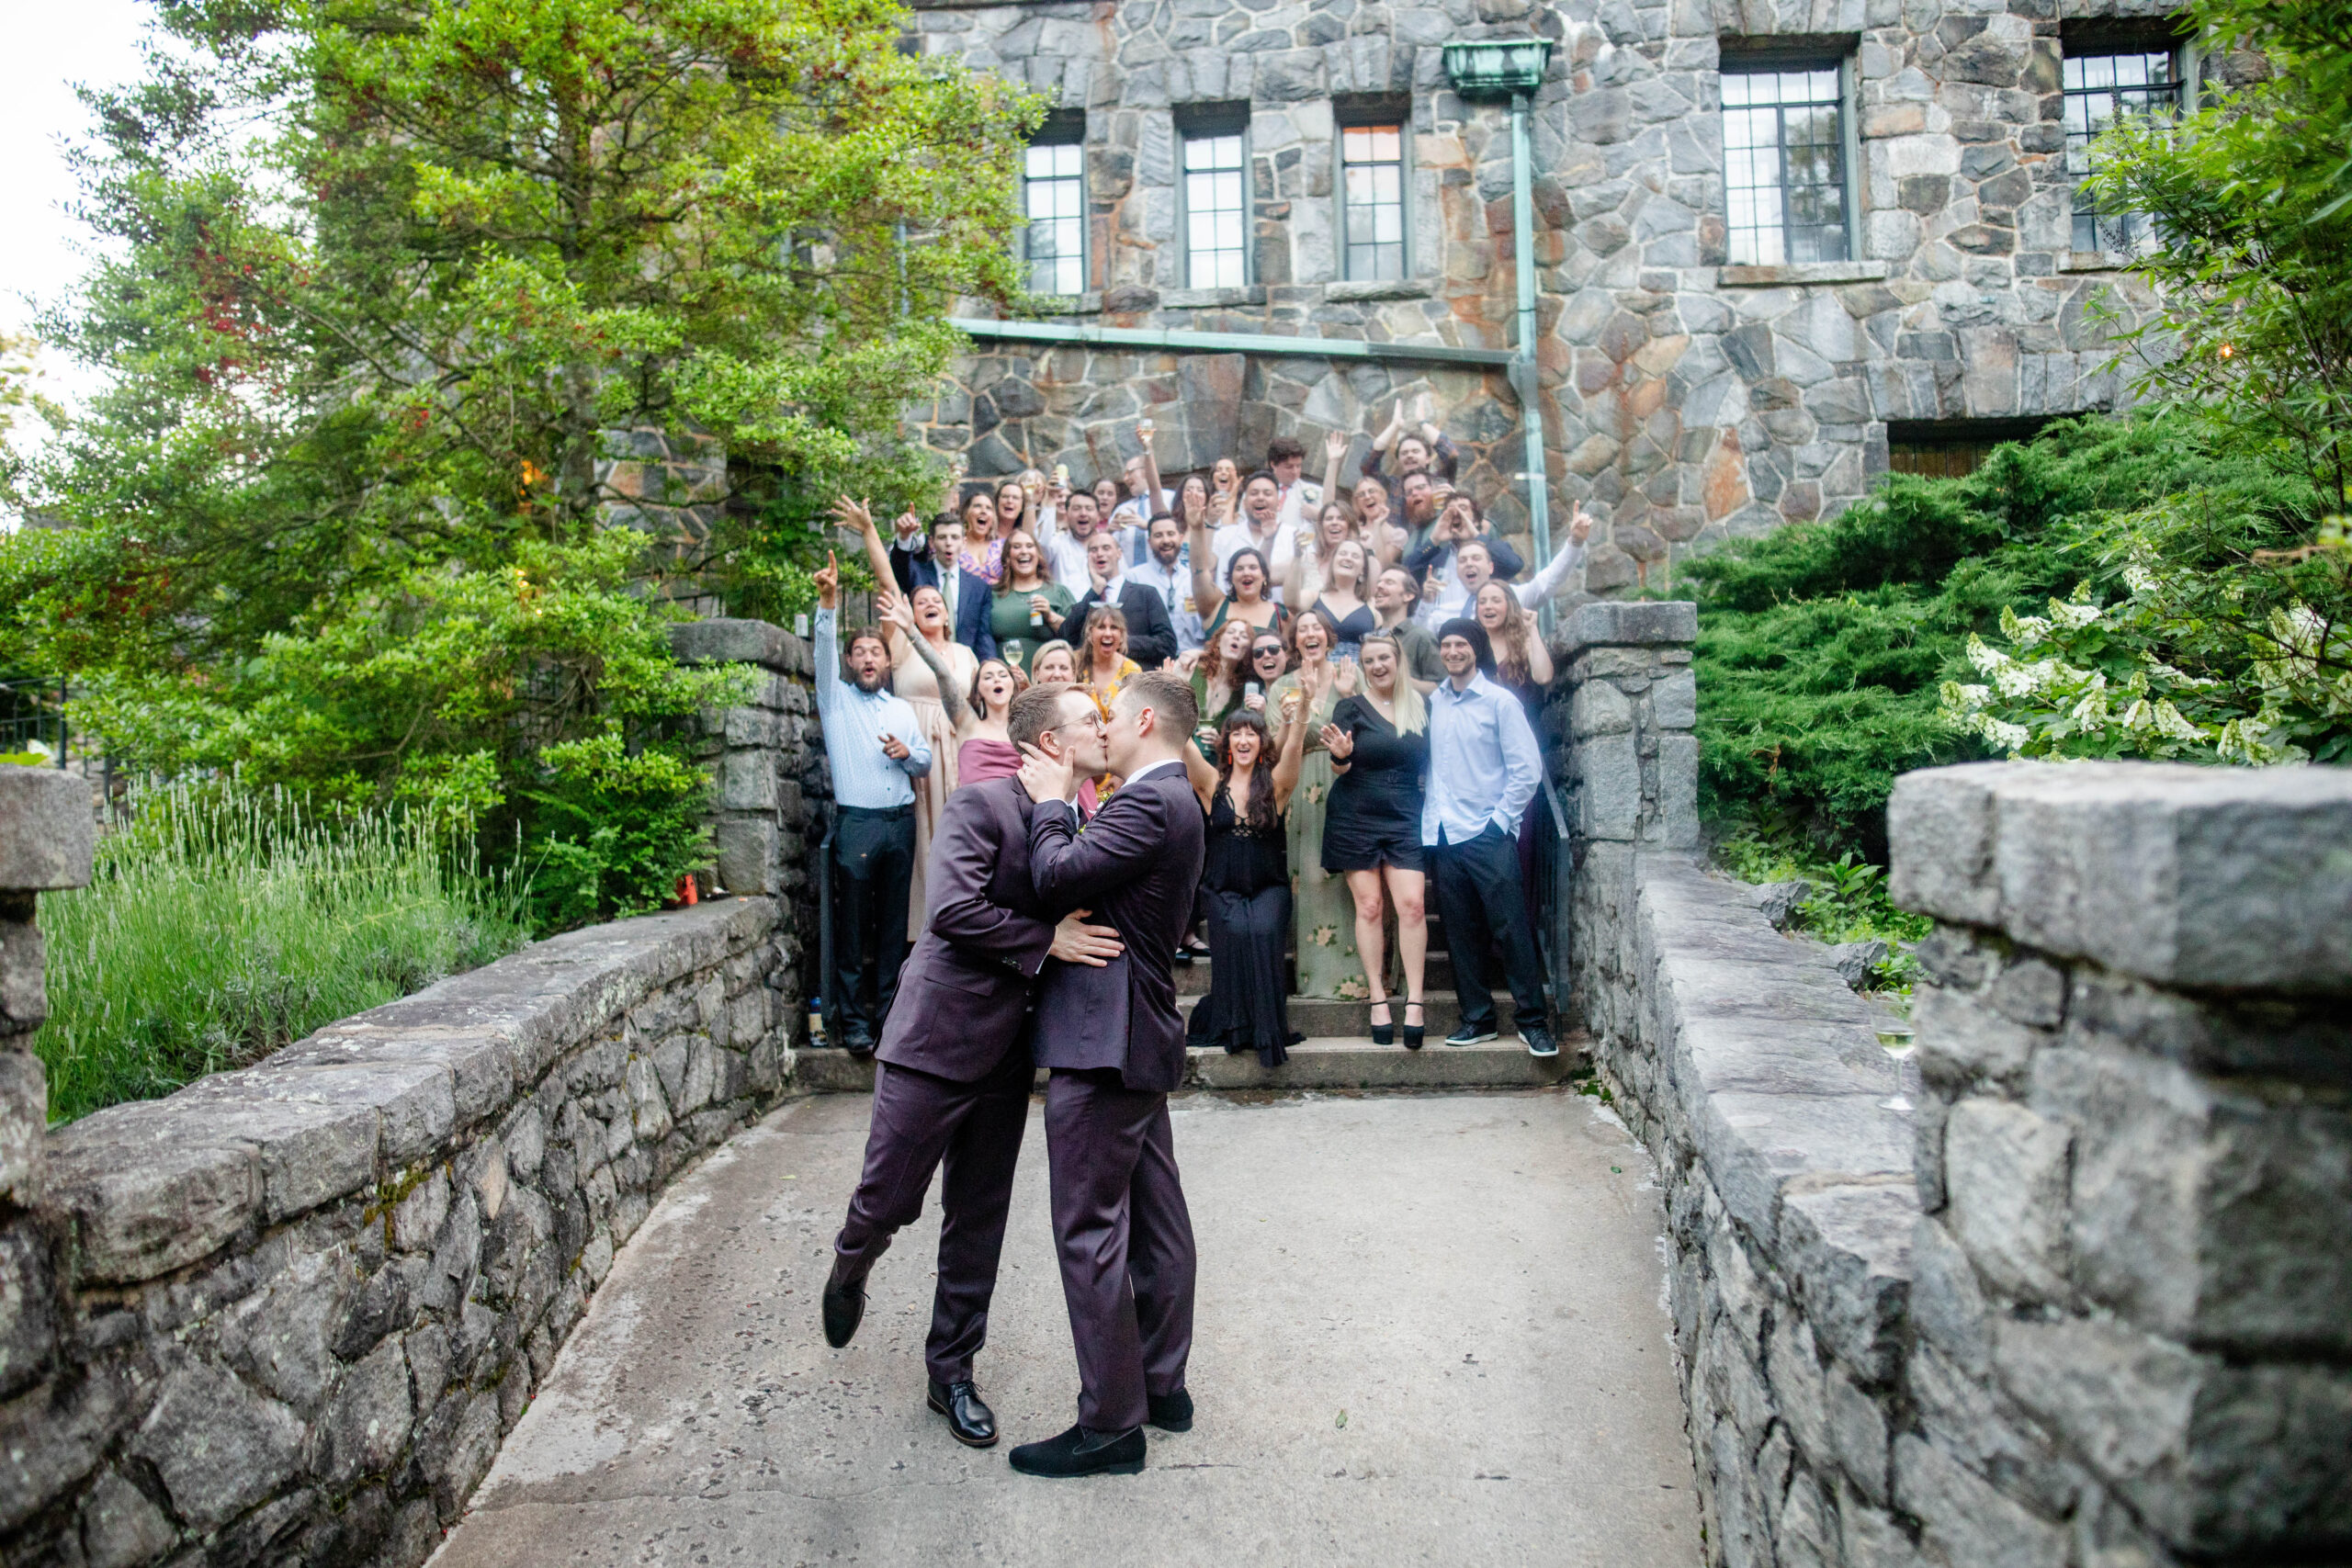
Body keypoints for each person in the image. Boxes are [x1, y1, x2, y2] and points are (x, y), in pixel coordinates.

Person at [820, 681, 1125, 1452]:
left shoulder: (1083, 823)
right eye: (1090, 719)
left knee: (978, 1219)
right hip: (936, 1040)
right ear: (1050, 742)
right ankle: (852, 1263)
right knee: (887, 1195)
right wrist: (1044, 940)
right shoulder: (981, 804)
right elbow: (951, 908)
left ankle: (949, 1371)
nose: (1105, 726)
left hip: (1009, 1056)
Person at [1011, 671, 1208, 1479]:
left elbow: (1056, 876)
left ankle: (1111, 1423)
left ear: (1147, 720)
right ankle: (1162, 1387)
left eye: (1113, 715)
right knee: (1157, 1215)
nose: (1104, 725)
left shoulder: (1147, 801)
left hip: (1106, 1032)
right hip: (1138, 1028)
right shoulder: (1177, 800)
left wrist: (1055, 798)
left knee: (1089, 1228)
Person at [810, 551, 933, 1056]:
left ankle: (888, 1019)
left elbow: (924, 762)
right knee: (853, 928)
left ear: (886, 662)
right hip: (857, 824)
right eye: (858, 652)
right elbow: (821, 652)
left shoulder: (901, 708)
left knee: (890, 932)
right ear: (850, 661)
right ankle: (855, 1024)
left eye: (874, 653)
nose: (866, 659)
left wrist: (908, 755)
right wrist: (828, 602)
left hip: (900, 824)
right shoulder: (834, 700)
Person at [1423, 618, 1555, 1058]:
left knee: (1512, 928)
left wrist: (1500, 821)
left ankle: (1534, 1022)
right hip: (1444, 834)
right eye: (1446, 644)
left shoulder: (1500, 702)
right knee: (1460, 933)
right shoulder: (1435, 703)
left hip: (1487, 832)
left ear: (1476, 649)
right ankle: (1476, 1019)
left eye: (1461, 644)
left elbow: (1527, 769)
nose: (1453, 651)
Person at [1180, 705, 1307, 1067]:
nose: (1244, 739)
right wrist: (1175, 695)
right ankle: (1236, 1025)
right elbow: (1184, 744)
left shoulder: (1277, 785)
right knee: (1236, 931)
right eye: (1236, 732)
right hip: (1222, 890)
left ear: (1262, 742)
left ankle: (1267, 1030)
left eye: (1251, 732)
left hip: (1269, 888)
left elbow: (1295, 746)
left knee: (1264, 930)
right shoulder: (1209, 783)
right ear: (1227, 742)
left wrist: (1305, 709)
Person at [1320, 632, 1430, 1049]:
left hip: (1405, 815)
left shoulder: (1421, 707)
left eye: (1385, 657)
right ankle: (1378, 998)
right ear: (1363, 666)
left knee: (1412, 905)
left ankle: (1416, 1001)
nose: (1378, 665)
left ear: (1398, 660)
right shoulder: (1350, 706)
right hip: (1355, 814)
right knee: (1369, 906)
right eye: (1370, 660)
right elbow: (1338, 765)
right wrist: (1343, 755)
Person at [1268, 608, 1363, 1000]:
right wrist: (1295, 715)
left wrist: (1349, 692)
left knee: (1351, 879)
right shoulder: (1283, 687)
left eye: (1317, 628)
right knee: (1308, 876)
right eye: (1302, 629)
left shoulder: (1348, 676)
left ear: (1329, 636)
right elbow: (1272, 750)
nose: (1310, 634)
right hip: (1303, 783)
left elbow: (1367, 729)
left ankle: (1357, 977)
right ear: (1294, 641)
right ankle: (1317, 978)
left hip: (1348, 782)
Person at [865, 501, 1000, 660]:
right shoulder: (917, 574)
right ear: (932, 542)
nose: (948, 543)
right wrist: (904, 537)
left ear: (964, 543)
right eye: (942, 537)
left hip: (962, 663)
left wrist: (990, 665)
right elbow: (899, 565)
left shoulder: (979, 586)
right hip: (921, 661)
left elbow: (983, 634)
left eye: (955, 537)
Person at [1060, 530, 1178, 669]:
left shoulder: (1145, 594)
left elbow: (1167, 643)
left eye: (1106, 548)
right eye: (1093, 549)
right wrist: (1095, 589)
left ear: (1119, 553)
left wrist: (1118, 642)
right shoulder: (1087, 600)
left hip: (1136, 680)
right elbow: (1065, 637)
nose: (1099, 554)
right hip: (1093, 681)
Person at [1407, 493, 1525, 615]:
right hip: (1443, 626)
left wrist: (1476, 536)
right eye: (1450, 510)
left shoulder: (1491, 549)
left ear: (1476, 521)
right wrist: (1434, 540)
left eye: (1463, 509)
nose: (1456, 513)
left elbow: (1513, 564)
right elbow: (1407, 571)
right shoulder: (1436, 557)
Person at [989, 529, 1074, 676]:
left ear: (1039, 555)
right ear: (1007, 557)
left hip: (1048, 679)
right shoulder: (992, 594)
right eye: (1016, 547)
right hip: (1004, 680)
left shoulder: (1058, 591)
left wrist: (1049, 616)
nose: (1023, 551)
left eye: (1029, 546)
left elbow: (1076, 635)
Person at [1363, 391, 1461, 515]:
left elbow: (1450, 454)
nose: (1409, 455)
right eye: (1404, 453)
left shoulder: (1439, 481)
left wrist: (1422, 422)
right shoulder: (1389, 486)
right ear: (1398, 461)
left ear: (1428, 459)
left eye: (1415, 451)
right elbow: (1368, 464)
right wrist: (1394, 426)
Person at [1127, 513, 1205, 656]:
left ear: (1181, 538)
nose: (1166, 540)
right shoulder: (1134, 577)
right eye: (1158, 535)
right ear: (1149, 541)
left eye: (1170, 534)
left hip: (1192, 660)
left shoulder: (1194, 578)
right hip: (1152, 661)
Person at [1192, 534, 1288, 647]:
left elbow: (1288, 655)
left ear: (1264, 576)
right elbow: (1199, 571)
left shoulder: (1279, 614)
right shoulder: (1216, 605)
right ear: (1231, 578)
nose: (1246, 573)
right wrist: (1197, 529)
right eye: (1239, 569)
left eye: (1253, 567)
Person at [1207, 470, 1292, 593]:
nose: (1260, 497)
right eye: (1254, 493)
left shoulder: (1294, 535)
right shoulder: (1223, 536)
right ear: (1244, 503)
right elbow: (1204, 570)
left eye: (1267, 494)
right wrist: (1208, 523)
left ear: (1279, 503)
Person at [1183, 617, 1255, 750]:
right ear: (1218, 641)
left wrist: (1220, 741)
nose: (1236, 637)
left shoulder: (1244, 692)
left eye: (1244, 636)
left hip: (1213, 765)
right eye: (1231, 632)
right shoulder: (1190, 667)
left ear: (1249, 650)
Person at [1371, 565, 1444, 691]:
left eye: (1389, 582)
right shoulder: (1370, 639)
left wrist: (1399, 680)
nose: (1379, 586)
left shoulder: (1421, 637)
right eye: (1379, 582)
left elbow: (1441, 688)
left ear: (1408, 596)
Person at [956, 657, 1026, 785]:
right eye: (988, 677)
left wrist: (1027, 686)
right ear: (978, 692)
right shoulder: (968, 724)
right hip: (974, 802)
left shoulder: (1026, 729)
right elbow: (942, 675)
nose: (997, 679)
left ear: (1014, 687)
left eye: (1003, 675)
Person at [1302, 538, 1374, 658]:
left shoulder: (1371, 606)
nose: (1348, 558)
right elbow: (1290, 601)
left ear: (1363, 570)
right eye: (1343, 553)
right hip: (1318, 670)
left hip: (1357, 673)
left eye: (1355, 556)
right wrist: (1296, 557)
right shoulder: (1312, 597)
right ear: (1333, 562)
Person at [1074, 603, 1144, 712]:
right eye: (1101, 627)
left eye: (1114, 627)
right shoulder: (1073, 663)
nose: (1108, 633)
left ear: (1121, 635)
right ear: (1090, 632)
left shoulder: (1132, 670)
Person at [1039, 485, 1109, 589]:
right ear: (1067, 515)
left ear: (1098, 516)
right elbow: (1043, 545)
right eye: (1077, 509)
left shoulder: (1109, 547)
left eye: (1089, 509)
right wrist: (1051, 498)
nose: (1083, 513)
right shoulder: (1058, 544)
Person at [1265, 435, 1320, 534]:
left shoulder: (1315, 492)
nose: (1295, 471)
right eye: (1289, 467)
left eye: (1298, 466)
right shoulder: (1257, 489)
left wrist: (1318, 515)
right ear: (1273, 464)